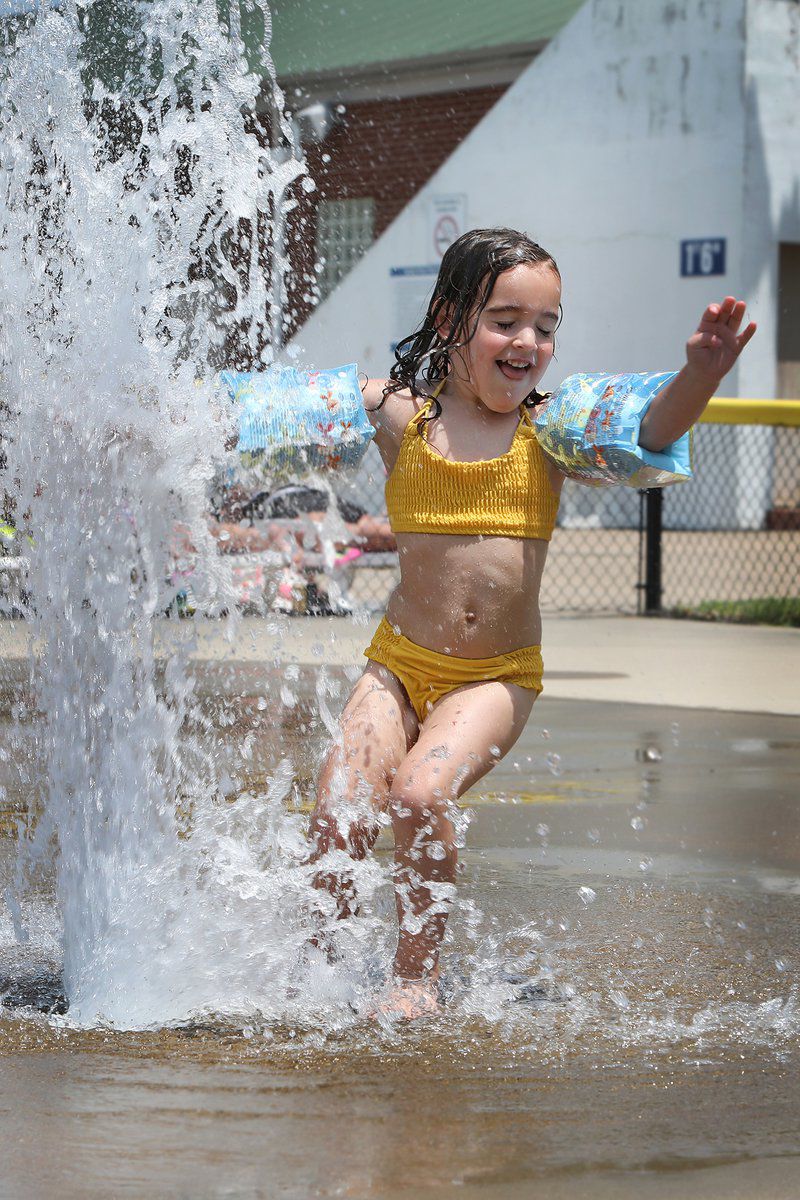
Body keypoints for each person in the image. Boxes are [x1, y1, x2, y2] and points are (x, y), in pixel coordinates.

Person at [306, 227, 756, 1019]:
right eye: (505, 321)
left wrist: (701, 374)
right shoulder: (398, 413)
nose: (528, 342)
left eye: (545, 327)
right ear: (449, 319)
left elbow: (652, 431)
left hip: (494, 678)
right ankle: (317, 971)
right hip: (396, 664)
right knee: (340, 808)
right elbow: (268, 413)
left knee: (419, 796)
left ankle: (414, 978)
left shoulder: (550, 428)